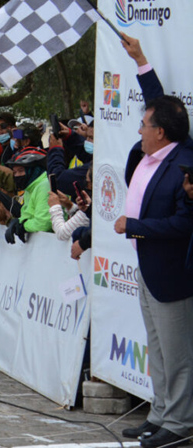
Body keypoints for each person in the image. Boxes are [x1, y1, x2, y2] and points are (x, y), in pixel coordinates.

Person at [115, 34, 193, 448]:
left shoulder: (185, 162)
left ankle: (180, 426)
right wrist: (141, 60)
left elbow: (184, 224)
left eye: (144, 125)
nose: (139, 129)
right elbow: (158, 101)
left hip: (172, 271)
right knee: (159, 348)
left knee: (177, 355)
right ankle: (160, 414)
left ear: (161, 132)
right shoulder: (153, 150)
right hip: (148, 267)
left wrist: (135, 227)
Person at [3, 149, 53, 244]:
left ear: (34, 170)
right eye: (15, 172)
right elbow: (27, 214)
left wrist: (23, 226)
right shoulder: (30, 188)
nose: (17, 175)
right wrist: (18, 222)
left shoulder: (44, 186)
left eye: (21, 171)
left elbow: (44, 223)